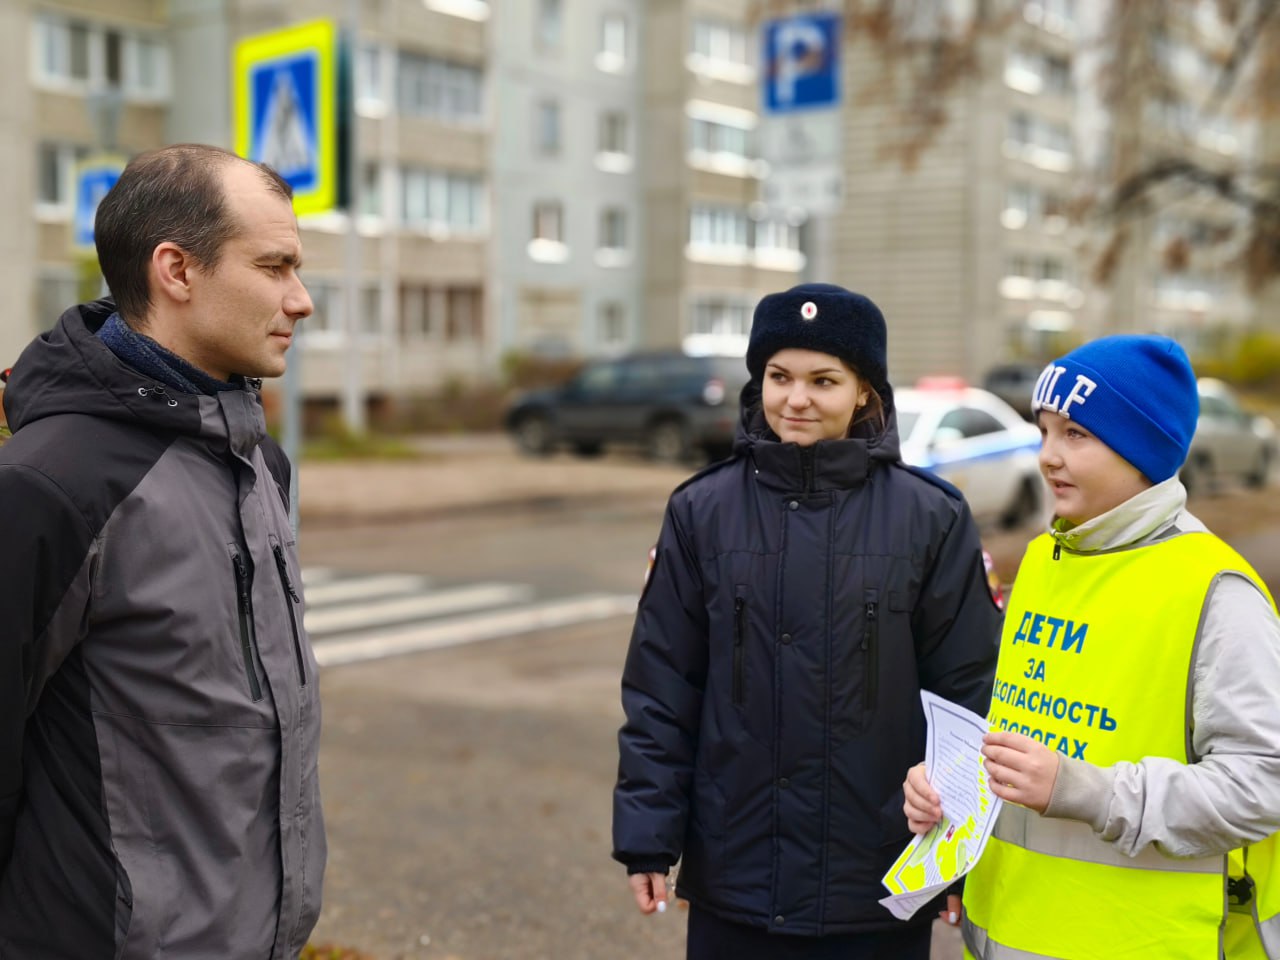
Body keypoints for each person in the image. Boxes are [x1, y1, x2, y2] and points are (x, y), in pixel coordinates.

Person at [612, 282, 1002, 959]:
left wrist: (957, 853)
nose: (796, 398)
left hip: (878, 880)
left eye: (824, 380)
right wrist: (648, 835)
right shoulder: (701, 512)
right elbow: (662, 688)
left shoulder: (930, 518)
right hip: (736, 877)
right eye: (779, 376)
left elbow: (968, 689)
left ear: (864, 393)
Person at [0, 144, 324, 957]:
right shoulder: (51, 484)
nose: (303, 300)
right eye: (276, 266)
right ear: (177, 270)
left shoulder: (259, 460)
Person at [904, 335, 1280, 960]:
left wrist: (1091, 792)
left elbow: (1261, 786)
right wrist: (948, 792)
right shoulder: (1047, 562)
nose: (1047, 455)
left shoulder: (1217, 590)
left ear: (1142, 448)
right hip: (1002, 933)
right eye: (1044, 430)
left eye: (1077, 434)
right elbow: (1027, 728)